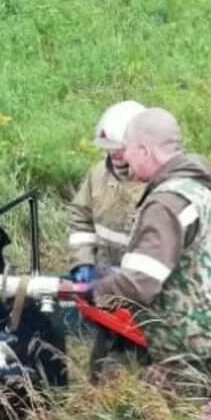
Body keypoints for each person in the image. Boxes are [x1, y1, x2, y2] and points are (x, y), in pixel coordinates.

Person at [89, 108, 211, 384]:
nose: (125, 160)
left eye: (128, 151)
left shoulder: (167, 203)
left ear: (144, 151)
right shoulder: (204, 182)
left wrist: (96, 290)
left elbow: (139, 285)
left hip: (200, 346)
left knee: (149, 418)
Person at [66, 100, 147, 284]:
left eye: (120, 148)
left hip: (140, 290)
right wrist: (83, 261)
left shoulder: (157, 181)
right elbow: (80, 218)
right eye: (109, 148)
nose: (114, 154)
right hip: (101, 283)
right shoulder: (98, 174)